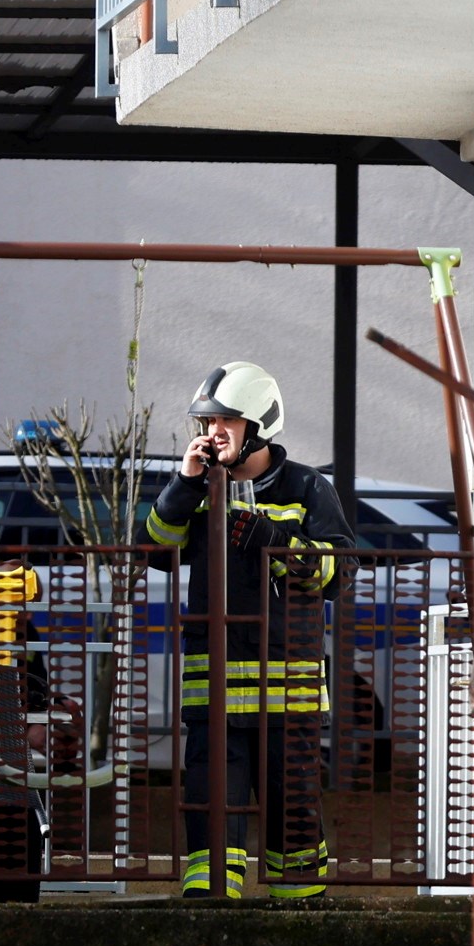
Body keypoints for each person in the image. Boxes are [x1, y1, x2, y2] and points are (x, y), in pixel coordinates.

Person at [140, 362, 354, 899]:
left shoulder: (307, 487)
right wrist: (183, 485)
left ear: (257, 426)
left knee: (294, 808)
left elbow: (339, 572)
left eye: (225, 423)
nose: (211, 434)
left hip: (290, 685)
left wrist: (274, 541)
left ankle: (299, 911)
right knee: (213, 808)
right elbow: (157, 551)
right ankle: (211, 907)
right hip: (213, 685)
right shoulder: (198, 487)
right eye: (204, 423)